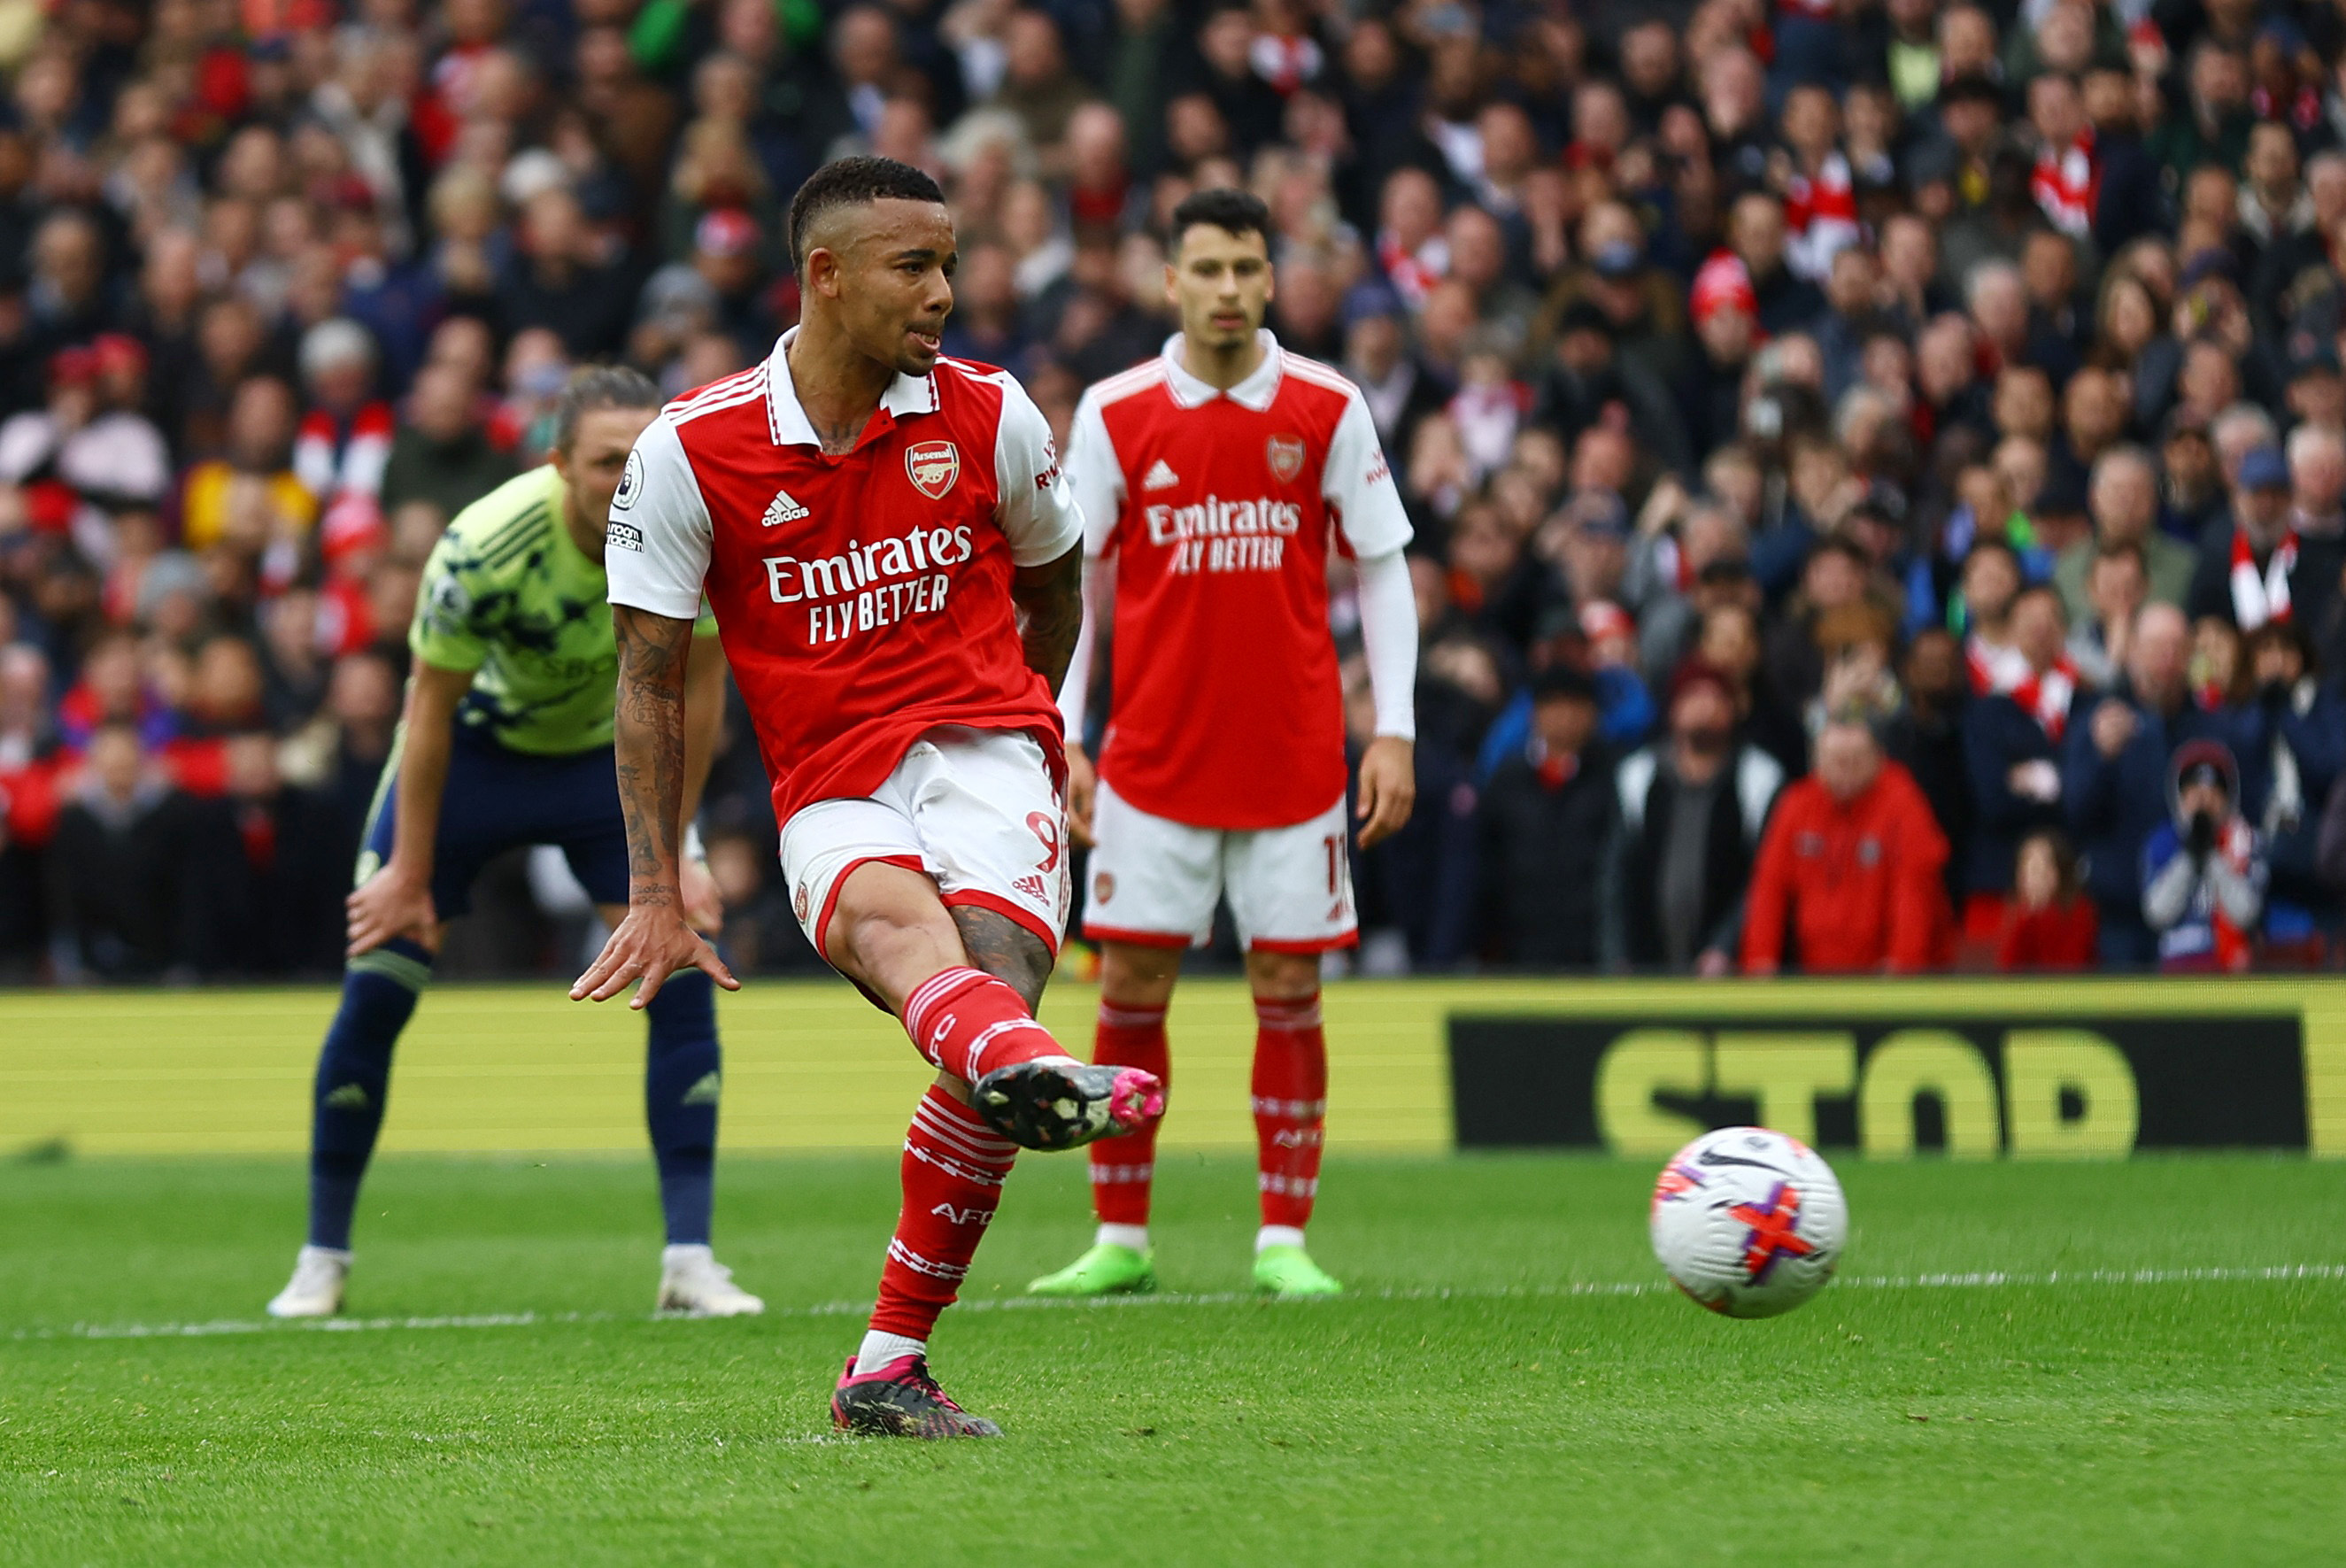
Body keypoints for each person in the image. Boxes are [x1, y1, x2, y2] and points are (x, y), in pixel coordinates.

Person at [580, 158, 1162, 1441]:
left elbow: (1057, 583)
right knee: (918, 953)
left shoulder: (993, 415)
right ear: (825, 276)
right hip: (830, 777)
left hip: (991, 747)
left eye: (949, 263)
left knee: (986, 990)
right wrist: (652, 884)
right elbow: (646, 679)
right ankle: (1032, 1072)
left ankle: (886, 1367)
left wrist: (1040, 728)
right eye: (915, 265)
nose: (943, 291)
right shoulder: (691, 448)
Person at [263, 368, 760, 1324]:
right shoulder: (485, 545)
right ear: (557, 463)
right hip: (469, 763)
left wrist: (679, 847)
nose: (627, 476)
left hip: (597, 770)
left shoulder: (685, 524)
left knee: (686, 964)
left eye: (639, 456)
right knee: (380, 978)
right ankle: (321, 1257)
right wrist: (409, 871)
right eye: (606, 459)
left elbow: (697, 695)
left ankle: (690, 1260)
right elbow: (428, 711)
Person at [1030, 188, 1416, 1304]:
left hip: (1294, 758)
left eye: (1248, 268)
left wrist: (1391, 727)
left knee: (1288, 984)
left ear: (1271, 277)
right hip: (1151, 760)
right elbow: (1074, 587)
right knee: (1133, 982)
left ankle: (1282, 1237)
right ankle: (1121, 1236)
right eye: (1207, 270)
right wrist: (1065, 730)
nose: (1230, 290)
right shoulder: (1114, 412)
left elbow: (1381, 564)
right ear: (1169, 281)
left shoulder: (1326, 406)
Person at [1603, 660, 1784, 973]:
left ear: (1734, 709)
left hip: (1729, 973)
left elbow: (1764, 879)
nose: (1705, 706)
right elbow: (1617, 876)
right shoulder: (1638, 775)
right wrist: (1616, 954)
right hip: (1647, 969)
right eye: (1693, 695)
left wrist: (1725, 945)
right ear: (1673, 708)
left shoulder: (1759, 779)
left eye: (1716, 697)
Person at [1740, 714, 1950, 973]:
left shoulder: (1902, 801)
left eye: (1856, 760)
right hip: (1815, 970)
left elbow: (1915, 890)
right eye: (1837, 761)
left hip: (1882, 971)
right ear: (1816, 761)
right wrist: (1760, 962)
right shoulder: (1797, 805)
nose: (1846, 770)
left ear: (1878, 757)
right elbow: (1769, 889)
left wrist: (1903, 964)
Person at [2141, 739, 2265, 971]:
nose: (2203, 803)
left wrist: (2212, 857)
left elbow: (2246, 912)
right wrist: (2189, 857)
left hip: (2231, 970)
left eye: (2212, 794)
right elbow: (2157, 913)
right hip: (2177, 965)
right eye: (2195, 794)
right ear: (2180, 797)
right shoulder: (2162, 841)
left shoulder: (2245, 841)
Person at [1994, 827, 2100, 969]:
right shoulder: (2015, 910)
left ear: (2059, 872)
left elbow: (2070, 966)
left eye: (2040, 868)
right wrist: (2026, 917)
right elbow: (2008, 967)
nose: (2033, 878)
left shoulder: (2080, 910)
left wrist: (2045, 913)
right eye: (2027, 868)